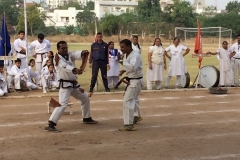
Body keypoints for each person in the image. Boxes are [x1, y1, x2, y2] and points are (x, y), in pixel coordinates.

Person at [45, 41, 98, 132]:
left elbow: (76, 54)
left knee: (85, 98)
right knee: (62, 104)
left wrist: (82, 53)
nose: (65, 50)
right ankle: (51, 123)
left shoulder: (69, 54)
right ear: (58, 49)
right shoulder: (57, 59)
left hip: (73, 84)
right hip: (65, 85)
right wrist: (75, 70)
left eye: (66, 47)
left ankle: (86, 118)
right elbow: (65, 66)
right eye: (63, 48)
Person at [118, 39, 144, 131]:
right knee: (133, 99)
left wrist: (121, 62)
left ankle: (129, 124)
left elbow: (133, 67)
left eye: (123, 47)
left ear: (129, 46)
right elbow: (129, 66)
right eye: (121, 47)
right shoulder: (127, 55)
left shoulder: (136, 55)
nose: (121, 49)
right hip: (133, 80)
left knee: (127, 101)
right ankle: (136, 116)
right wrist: (123, 70)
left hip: (135, 81)